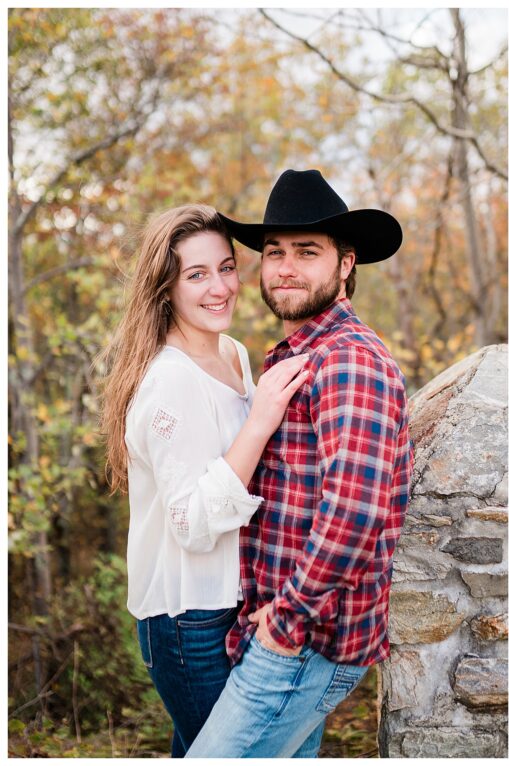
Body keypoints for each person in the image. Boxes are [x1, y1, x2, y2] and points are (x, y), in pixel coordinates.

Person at [186, 169, 412, 758]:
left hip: (307, 643)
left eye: (306, 252)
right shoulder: (297, 357)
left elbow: (355, 514)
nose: (285, 267)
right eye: (273, 252)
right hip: (287, 634)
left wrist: (287, 620)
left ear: (345, 265)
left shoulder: (348, 360)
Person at [98, 205, 308, 757]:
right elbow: (190, 523)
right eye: (196, 275)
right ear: (165, 288)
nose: (219, 288)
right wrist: (261, 418)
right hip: (187, 617)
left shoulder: (233, 354)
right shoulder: (168, 381)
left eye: (226, 268)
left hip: (235, 601)